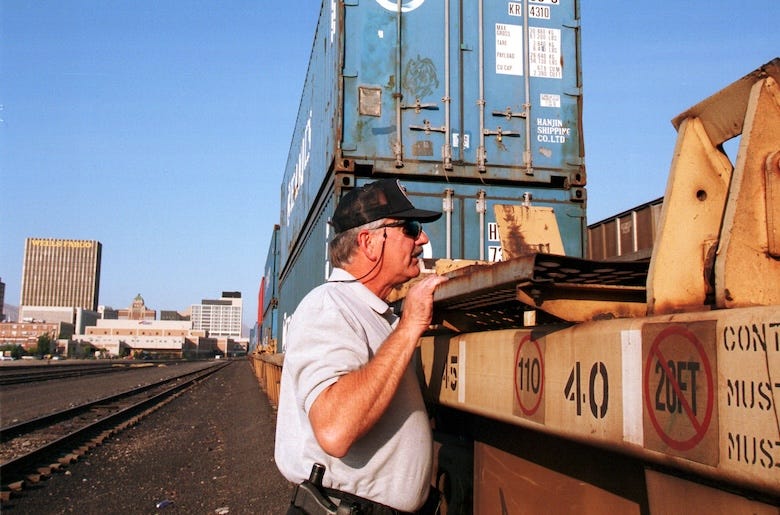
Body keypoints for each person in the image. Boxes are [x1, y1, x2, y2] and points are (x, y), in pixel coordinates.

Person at [275, 178, 448, 514]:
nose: (423, 239)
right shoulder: (329, 305)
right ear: (369, 242)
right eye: (411, 228)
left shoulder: (373, 315)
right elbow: (335, 430)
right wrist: (410, 327)